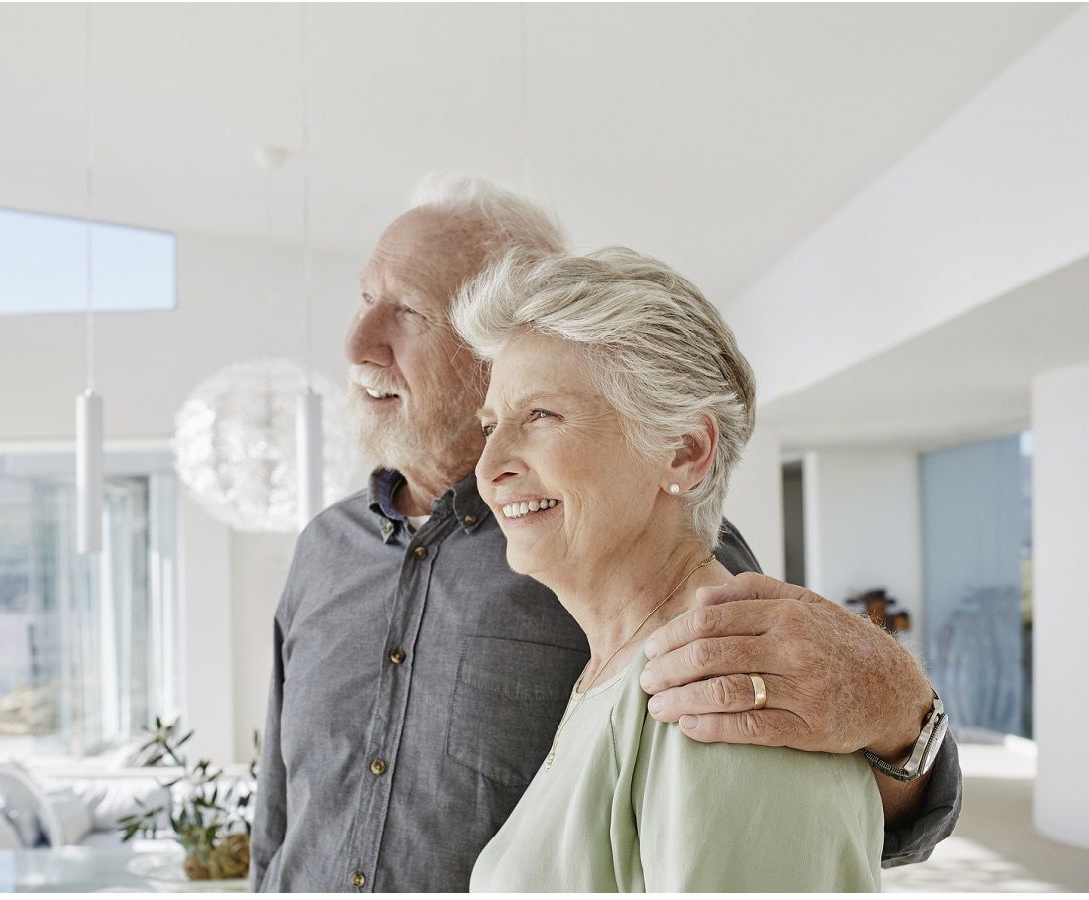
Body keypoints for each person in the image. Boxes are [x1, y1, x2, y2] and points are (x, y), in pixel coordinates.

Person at [249, 176, 959, 893]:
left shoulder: (668, 582)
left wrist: (904, 712)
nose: (356, 344)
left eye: (409, 311)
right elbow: (277, 814)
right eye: (365, 300)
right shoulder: (324, 549)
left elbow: (796, 743)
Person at [461, 246, 878, 891]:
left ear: (683, 451)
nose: (489, 469)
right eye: (492, 426)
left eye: (541, 416)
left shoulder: (726, 687)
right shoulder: (623, 668)